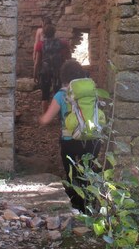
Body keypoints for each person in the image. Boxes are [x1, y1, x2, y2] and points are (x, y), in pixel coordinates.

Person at [39, 59, 101, 213]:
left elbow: (46, 119)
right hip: (93, 139)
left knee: (72, 175)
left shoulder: (61, 95)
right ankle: (91, 207)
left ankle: (76, 209)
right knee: (88, 173)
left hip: (70, 142)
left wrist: (38, 119)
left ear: (63, 76)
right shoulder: (91, 91)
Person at [33, 23, 70, 114]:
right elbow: (67, 57)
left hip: (45, 71)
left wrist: (35, 73)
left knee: (45, 94)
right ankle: (59, 114)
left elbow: (37, 61)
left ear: (44, 33)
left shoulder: (40, 45)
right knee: (58, 92)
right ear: (54, 32)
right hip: (58, 70)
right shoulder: (62, 43)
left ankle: (45, 115)